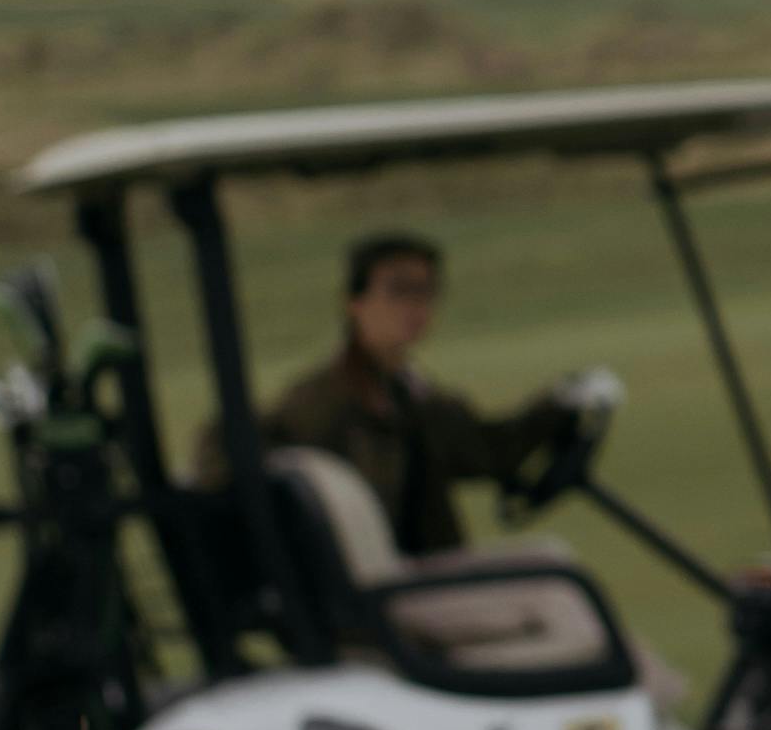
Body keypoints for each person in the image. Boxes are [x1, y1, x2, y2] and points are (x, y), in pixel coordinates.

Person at [238, 230, 580, 553]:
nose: (416, 304)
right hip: (383, 586)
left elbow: (485, 450)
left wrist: (558, 407)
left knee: (549, 559)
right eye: (399, 290)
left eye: (426, 290)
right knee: (555, 586)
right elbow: (235, 453)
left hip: (418, 572)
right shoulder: (327, 397)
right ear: (354, 301)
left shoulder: (406, 390)